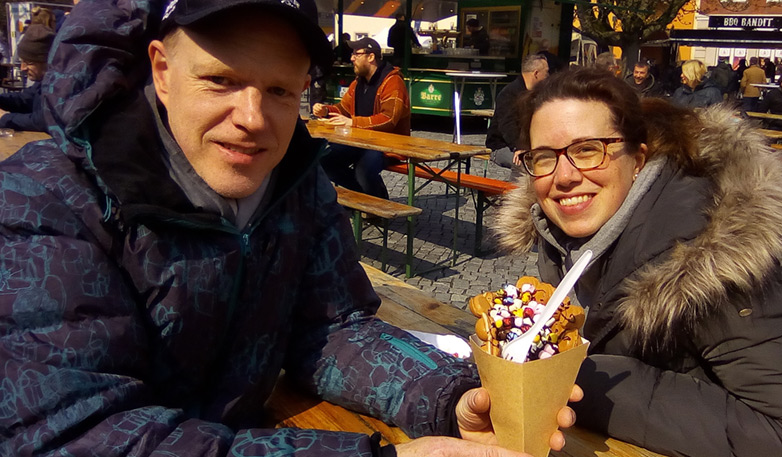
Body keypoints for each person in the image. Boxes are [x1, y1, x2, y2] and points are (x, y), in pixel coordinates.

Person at [0, 0, 582, 455]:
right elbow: (74, 435)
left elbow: (330, 331)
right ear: (162, 70)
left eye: (279, 90)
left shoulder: (298, 187)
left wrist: (451, 398)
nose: (252, 119)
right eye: (221, 80)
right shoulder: (48, 199)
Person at [493, 67, 782, 457]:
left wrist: (582, 381)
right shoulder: (563, 239)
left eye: (587, 150)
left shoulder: (715, 265)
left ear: (638, 158)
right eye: (544, 157)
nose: (564, 177)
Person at [312, 38, 409, 199]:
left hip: (387, 145)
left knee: (364, 170)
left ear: (371, 57)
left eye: (356, 54)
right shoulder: (358, 83)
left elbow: (389, 118)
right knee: (323, 160)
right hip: (360, 141)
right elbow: (343, 109)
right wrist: (326, 110)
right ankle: (369, 198)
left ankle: (374, 202)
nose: (351, 58)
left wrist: (353, 122)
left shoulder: (392, 82)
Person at [487, 53, 549, 171]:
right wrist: (519, 147)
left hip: (531, 146)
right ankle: (517, 189)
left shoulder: (539, 95)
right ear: (536, 73)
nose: (548, 76)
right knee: (526, 164)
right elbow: (507, 125)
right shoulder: (509, 94)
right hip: (502, 147)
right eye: (546, 72)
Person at [0, 24, 54, 132]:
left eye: (29, 62)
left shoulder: (61, 85)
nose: (23, 68)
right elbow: (25, 99)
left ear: (47, 61)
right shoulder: (43, 81)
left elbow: (43, 120)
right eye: (22, 61)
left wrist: (5, 118)